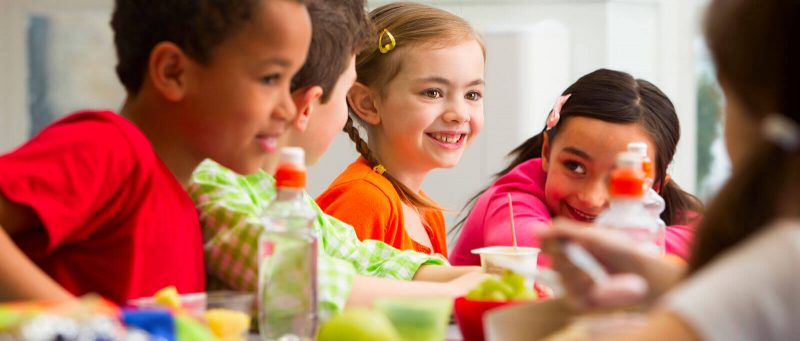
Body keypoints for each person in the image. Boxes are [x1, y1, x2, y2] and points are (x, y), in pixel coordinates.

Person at [189, 0, 486, 321]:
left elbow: (359, 258)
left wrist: (470, 280)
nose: (290, 109)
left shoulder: (273, 190)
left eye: (473, 95)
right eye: (270, 81)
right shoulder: (214, 181)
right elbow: (298, 282)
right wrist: (450, 292)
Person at [0, 0, 311, 303]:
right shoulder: (109, 148)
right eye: (271, 78)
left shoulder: (184, 205)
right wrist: (81, 319)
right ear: (173, 72)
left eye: (290, 81)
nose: (287, 108)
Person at [540, 0, 800, 339]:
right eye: (575, 166)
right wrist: (663, 280)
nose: (591, 197)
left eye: (724, 97)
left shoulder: (784, 263)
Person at [450, 69, 702, 267]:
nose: (591, 198)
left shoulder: (668, 210)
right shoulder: (511, 199)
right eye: (575, 166)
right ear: (547, 152)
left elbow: (717, 251)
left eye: (622, 179)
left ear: (655, 186)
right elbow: (539, 256)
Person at [316, 2, 486, 258]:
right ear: (368, 104)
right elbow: (335, 294)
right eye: (433, 92)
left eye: (472, 94)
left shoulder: (428, 212)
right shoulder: (364, 200)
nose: (460, 114)